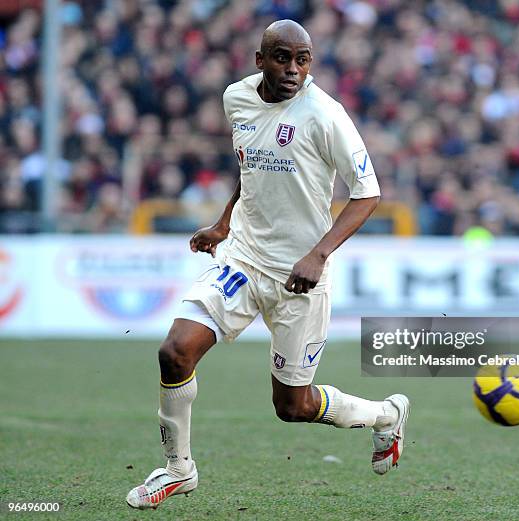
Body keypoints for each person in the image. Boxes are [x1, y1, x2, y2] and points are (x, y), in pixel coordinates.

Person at [126, 19, 410, 510]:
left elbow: (368, 194)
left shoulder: (326, 116)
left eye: (303, 60)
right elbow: (251, 166)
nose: (294, 70)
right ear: (260, 60)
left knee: (292, 407)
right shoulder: (237, 98)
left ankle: (385, 415)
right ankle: (178, 469)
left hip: (300, 279)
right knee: (175, 351)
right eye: (282, 58)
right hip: (243, 258)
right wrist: (223, 222)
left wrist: (318, 254)